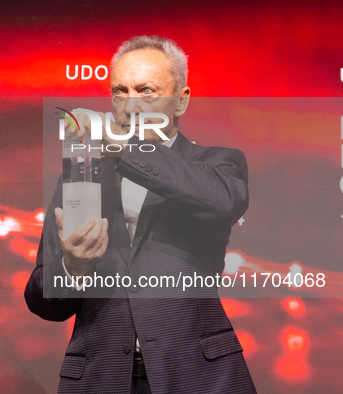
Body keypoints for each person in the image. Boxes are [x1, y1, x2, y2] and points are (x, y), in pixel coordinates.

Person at [25, 35, 256, 394]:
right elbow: (43, 301)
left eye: (146, 91)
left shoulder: (215, 164)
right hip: (101, 377)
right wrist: (73, 267)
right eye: (119, 91)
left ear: (181, 100)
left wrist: (120, 145)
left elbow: (222, 201)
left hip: (196, 377)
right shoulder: (80, 176)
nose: (130, 105)